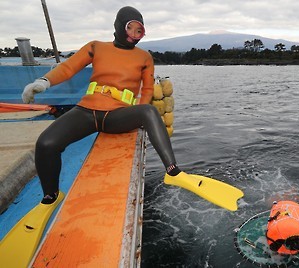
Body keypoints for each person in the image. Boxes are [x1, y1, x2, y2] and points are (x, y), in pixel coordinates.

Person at [22, 6, 183, 205]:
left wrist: (139, 115)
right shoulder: (96, 46)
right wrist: (43, 82)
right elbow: (68, 67)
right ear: (118, 26)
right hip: (85, 112)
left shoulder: (144, 57)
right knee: (46, 144)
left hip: (118, 116)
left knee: (149, 111)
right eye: (130, 28)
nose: (134, 35)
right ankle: (50, 195)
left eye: (139, 31)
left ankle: (173, 170)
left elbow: (148, 90)